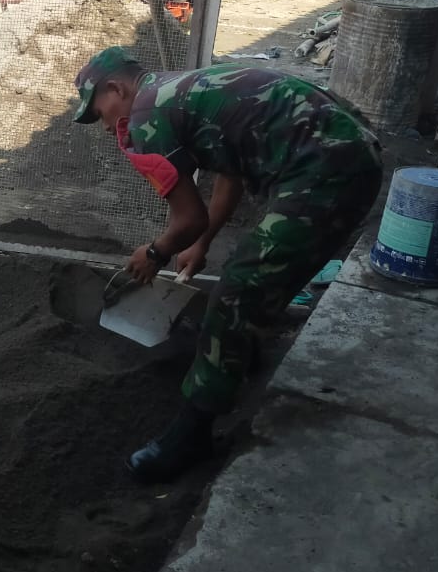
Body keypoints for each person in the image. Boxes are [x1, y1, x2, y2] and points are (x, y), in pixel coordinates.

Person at [73, 47, 384, 484]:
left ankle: (191, 436)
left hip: (328, 169)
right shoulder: (181, 88)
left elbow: (187, 217)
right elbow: (229, 171)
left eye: (100, 111)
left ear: (116, 88)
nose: (106, 126)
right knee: (256, 276)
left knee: (236, 296)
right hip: (346, 149)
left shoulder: (146, 120)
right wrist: (201, 243)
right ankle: (242, 357)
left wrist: (156, 252)